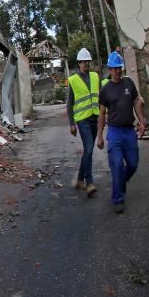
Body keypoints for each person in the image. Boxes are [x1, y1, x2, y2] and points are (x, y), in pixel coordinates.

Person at [96, 51, 146, 213]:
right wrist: (100, 137)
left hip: (129, 131)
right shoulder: (105, 90)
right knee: (117, 164)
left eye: (119, 68)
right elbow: (102, 115)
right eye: (114, 68)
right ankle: (118, 198)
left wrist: (141, 120)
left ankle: (120, 183)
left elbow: (136, 102)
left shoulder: (129, 84)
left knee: (133, 163)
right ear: (109, 69)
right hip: (115, 132)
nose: (118, 71)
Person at [66, 48, 100, 196]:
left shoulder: (95, 76)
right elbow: (69, 104)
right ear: (79, 63)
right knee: (89, 149)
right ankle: (89, 182)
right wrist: (71, 124)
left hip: (94, 118)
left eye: (88, 61)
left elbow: (101, 96)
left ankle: (80, 179)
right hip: (82, 120)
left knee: (88, 150)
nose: (86, 64)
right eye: (83, 62)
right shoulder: (73, 80)